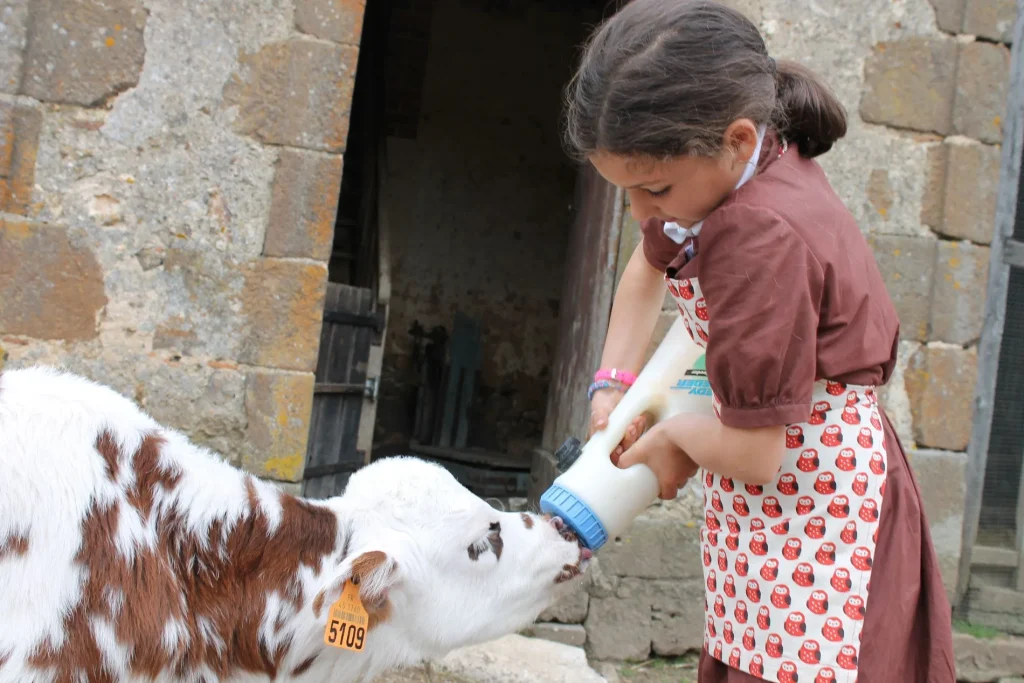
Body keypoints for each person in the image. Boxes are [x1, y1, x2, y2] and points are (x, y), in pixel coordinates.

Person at [562, 1, 957, 682]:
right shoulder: (733, 176)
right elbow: (644, 264)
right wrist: (612, 388)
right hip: (776, 494)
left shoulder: (756, 237)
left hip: (817, 502)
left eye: (652, 188)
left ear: (738, 140)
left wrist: (674, 439)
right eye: (625, 191)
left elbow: (754, 449)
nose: (641, 212)